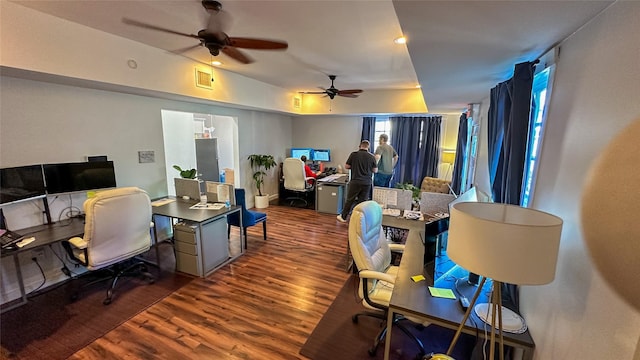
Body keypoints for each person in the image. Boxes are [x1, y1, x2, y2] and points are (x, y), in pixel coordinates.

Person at [337, 140, 378, 223]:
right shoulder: (372, 156)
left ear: (360, 146)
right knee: (362, 202)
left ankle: (344, 217)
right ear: (368, 147)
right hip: (366, 183)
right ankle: (359, 219)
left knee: (350, 200)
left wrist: (355, 166)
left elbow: (347, 166)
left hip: (355, 181)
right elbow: (375, 170)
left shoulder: (354, 155)